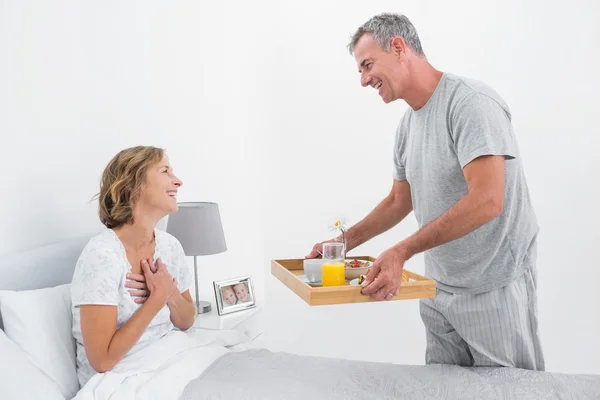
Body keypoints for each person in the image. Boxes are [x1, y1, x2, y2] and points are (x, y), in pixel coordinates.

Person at [306, 13, 544, 371]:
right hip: (438, 290)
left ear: (399, 48)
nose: (363, 79)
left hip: (493, 286)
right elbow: (399, 201)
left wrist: (402, 250)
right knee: (442, 389)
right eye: (359, 70)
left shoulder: (471, 104)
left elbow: (488, 200)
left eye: (367, 65)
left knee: (511, 392)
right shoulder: (407, 126)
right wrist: (341, 243)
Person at [70, 145, 196, 387]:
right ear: (133, 186)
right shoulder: (102, 256)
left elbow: (187, 320)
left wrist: (169, 293)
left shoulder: (170, 246)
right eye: (165, 171)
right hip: (120, 380)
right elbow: (102, 361)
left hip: (167, 359)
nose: (178, 181)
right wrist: (156, 299)